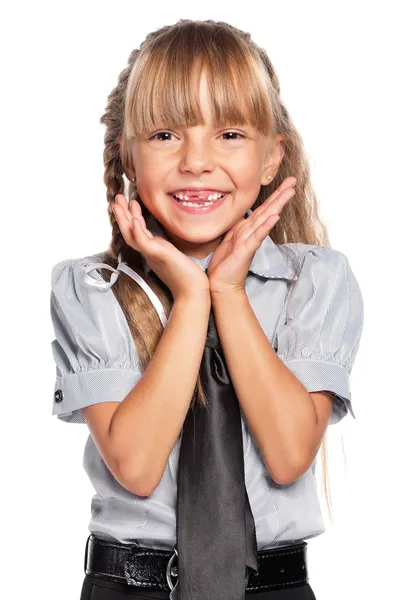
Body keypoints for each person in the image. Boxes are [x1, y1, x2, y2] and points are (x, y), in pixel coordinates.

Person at [49, 18, 364, 600]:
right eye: (166, 134)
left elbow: (291, 454)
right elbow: (137, 465)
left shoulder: (314, 281)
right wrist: (191, 299)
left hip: (273, 588)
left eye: (230, 135)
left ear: (272, 158)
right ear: (128, 158)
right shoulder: (91, 290)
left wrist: (228, 292)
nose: (197, 161)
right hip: (132, 587)